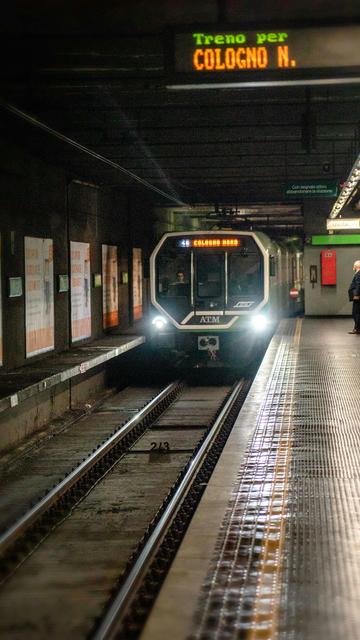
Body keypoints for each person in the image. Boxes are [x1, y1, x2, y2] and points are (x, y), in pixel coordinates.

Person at [348, 260, 360, 334]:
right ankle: (357, 328)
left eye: (354, 265)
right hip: (357, 296)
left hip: (357, 297)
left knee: (356, 313)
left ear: (357, 266)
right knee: (357, 312)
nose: (353, 267)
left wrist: (356, 295)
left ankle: (357, 329)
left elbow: (359, 285)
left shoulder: (358, 274)